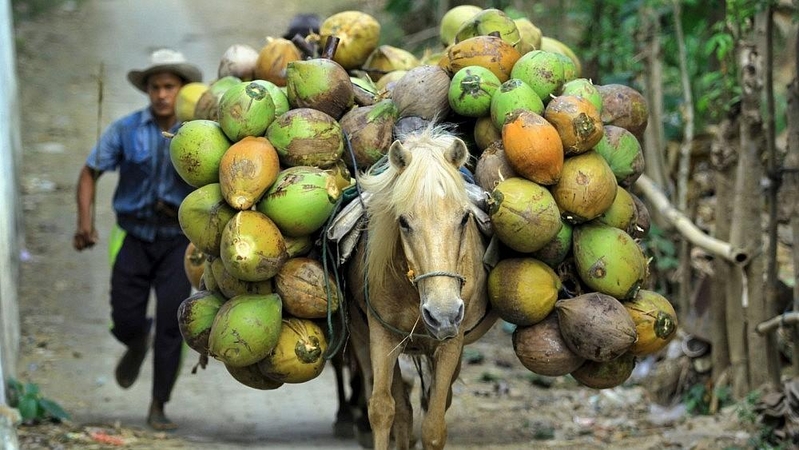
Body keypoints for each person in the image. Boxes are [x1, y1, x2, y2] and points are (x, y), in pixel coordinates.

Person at [72, 48, 202, 431]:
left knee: (171, 324)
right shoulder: (126, 129)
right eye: (155, 87)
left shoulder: (198, 133)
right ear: (146, 90)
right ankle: (134, 337)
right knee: (125, 318)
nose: (162, 94)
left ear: (182, 89)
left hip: (178, 243)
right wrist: (85, 223)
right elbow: (89, 172)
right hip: (134, 236)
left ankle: (158, 404)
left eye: (170, 86)